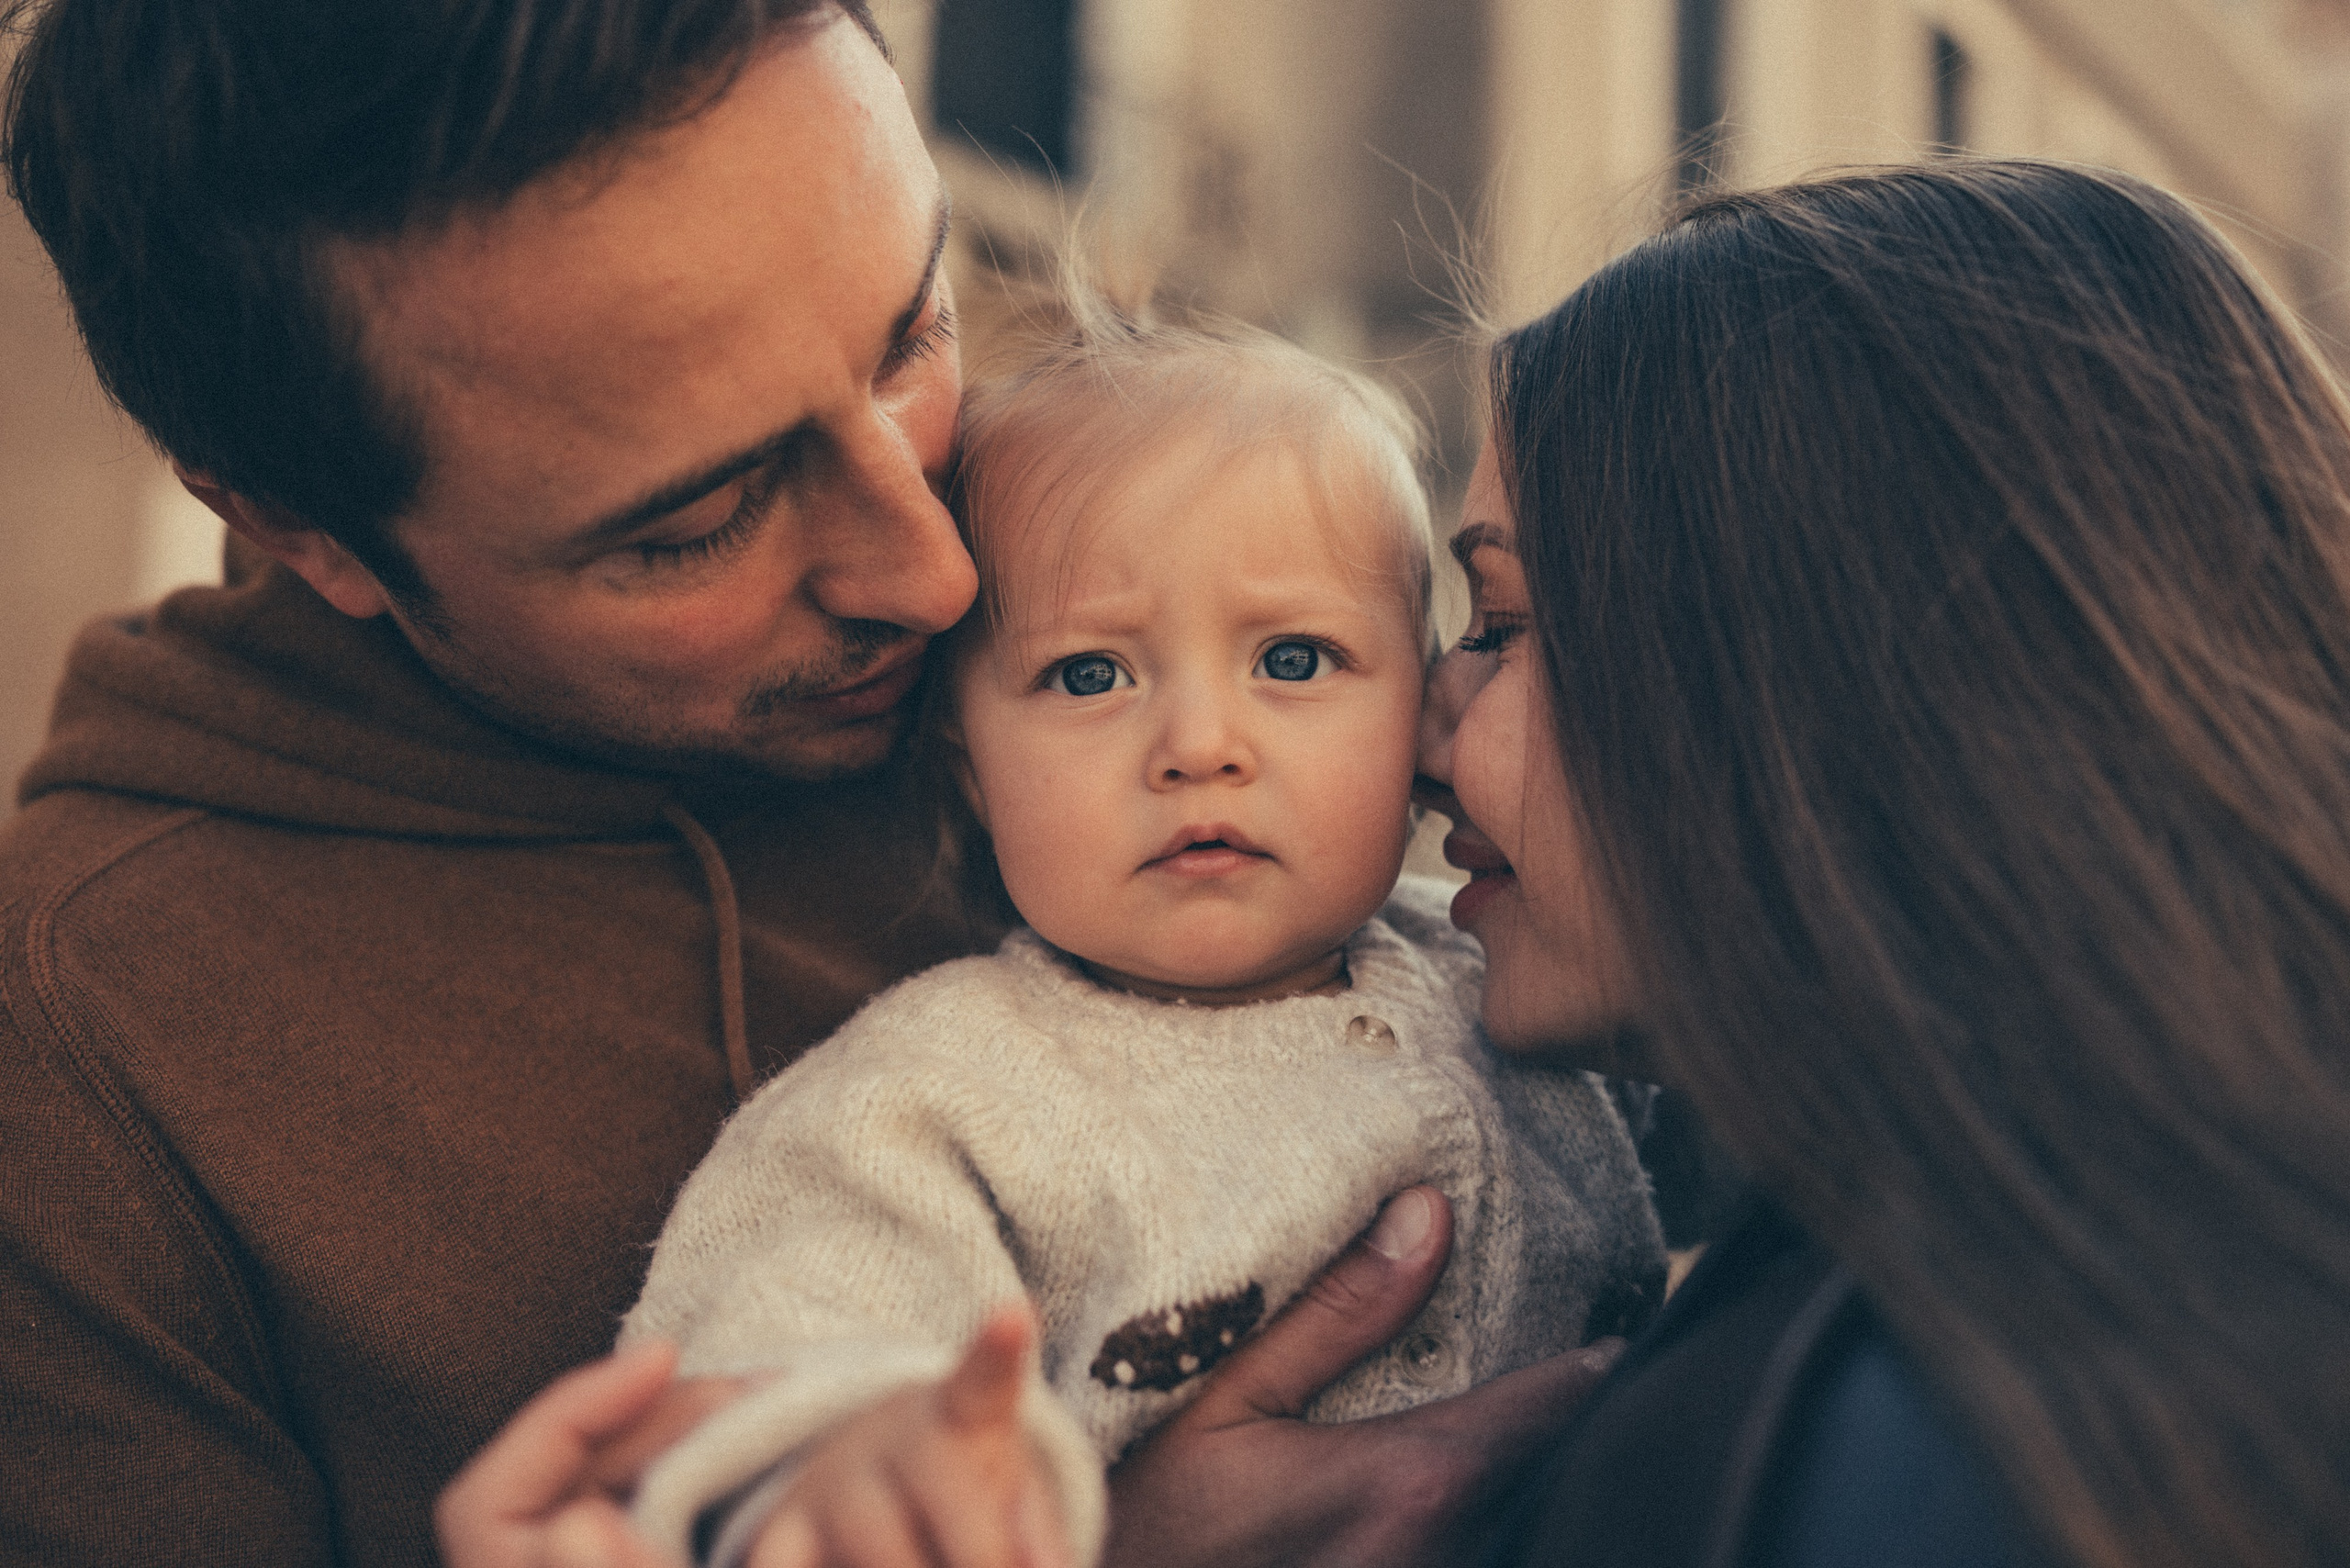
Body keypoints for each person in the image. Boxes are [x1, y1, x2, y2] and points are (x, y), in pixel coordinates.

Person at [0, 2, 1623, 1563]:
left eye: (913, 331)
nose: (932, 578)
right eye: (696, 521)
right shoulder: (76, 1058)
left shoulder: (1131, 609)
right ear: (302, 528)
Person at [610, 311, 1667, 1568]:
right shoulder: (943, 1092)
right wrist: (846, 1463)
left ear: (1420, 707)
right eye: (1091, 677)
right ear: (968, 765)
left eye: (1293, 657)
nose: (1199, 744)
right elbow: (795, 1320)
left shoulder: (1519, 972)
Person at [1413, 161, 2350, 1568]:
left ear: (1808, 675)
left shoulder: (1872, 1449)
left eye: (1496, 621)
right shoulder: (2132, 1318)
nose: (1415, 727)